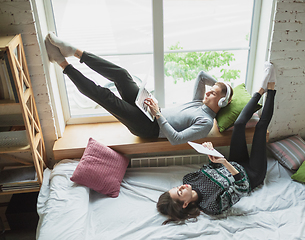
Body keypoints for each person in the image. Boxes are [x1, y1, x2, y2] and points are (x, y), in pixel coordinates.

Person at [44, 33, 233, 145]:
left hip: (149, 127)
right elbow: (201, 75)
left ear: (221, 102)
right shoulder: (199, 102)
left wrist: (158, 114)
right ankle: (76, 52)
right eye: (211, 89)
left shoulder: (205, 122)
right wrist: (222, 86)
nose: (208, 92)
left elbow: (176, 139)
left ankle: (63, 64)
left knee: (106, 96)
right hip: (150, 110)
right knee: (122, 75)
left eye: (213, 93)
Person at [156, 62, 276, 224]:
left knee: (239, 125)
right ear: (185, 204)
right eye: (179, 192)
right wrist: (224, 162)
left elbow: (212, 168)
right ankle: (271, 88)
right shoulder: (211, 205)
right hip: (251, 174)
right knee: (261, 128)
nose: (181, 187)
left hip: (233, 162)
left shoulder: (189, 180)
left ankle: (260, 91)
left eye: (177, 188)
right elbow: (241, 187)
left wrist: (211, 153)